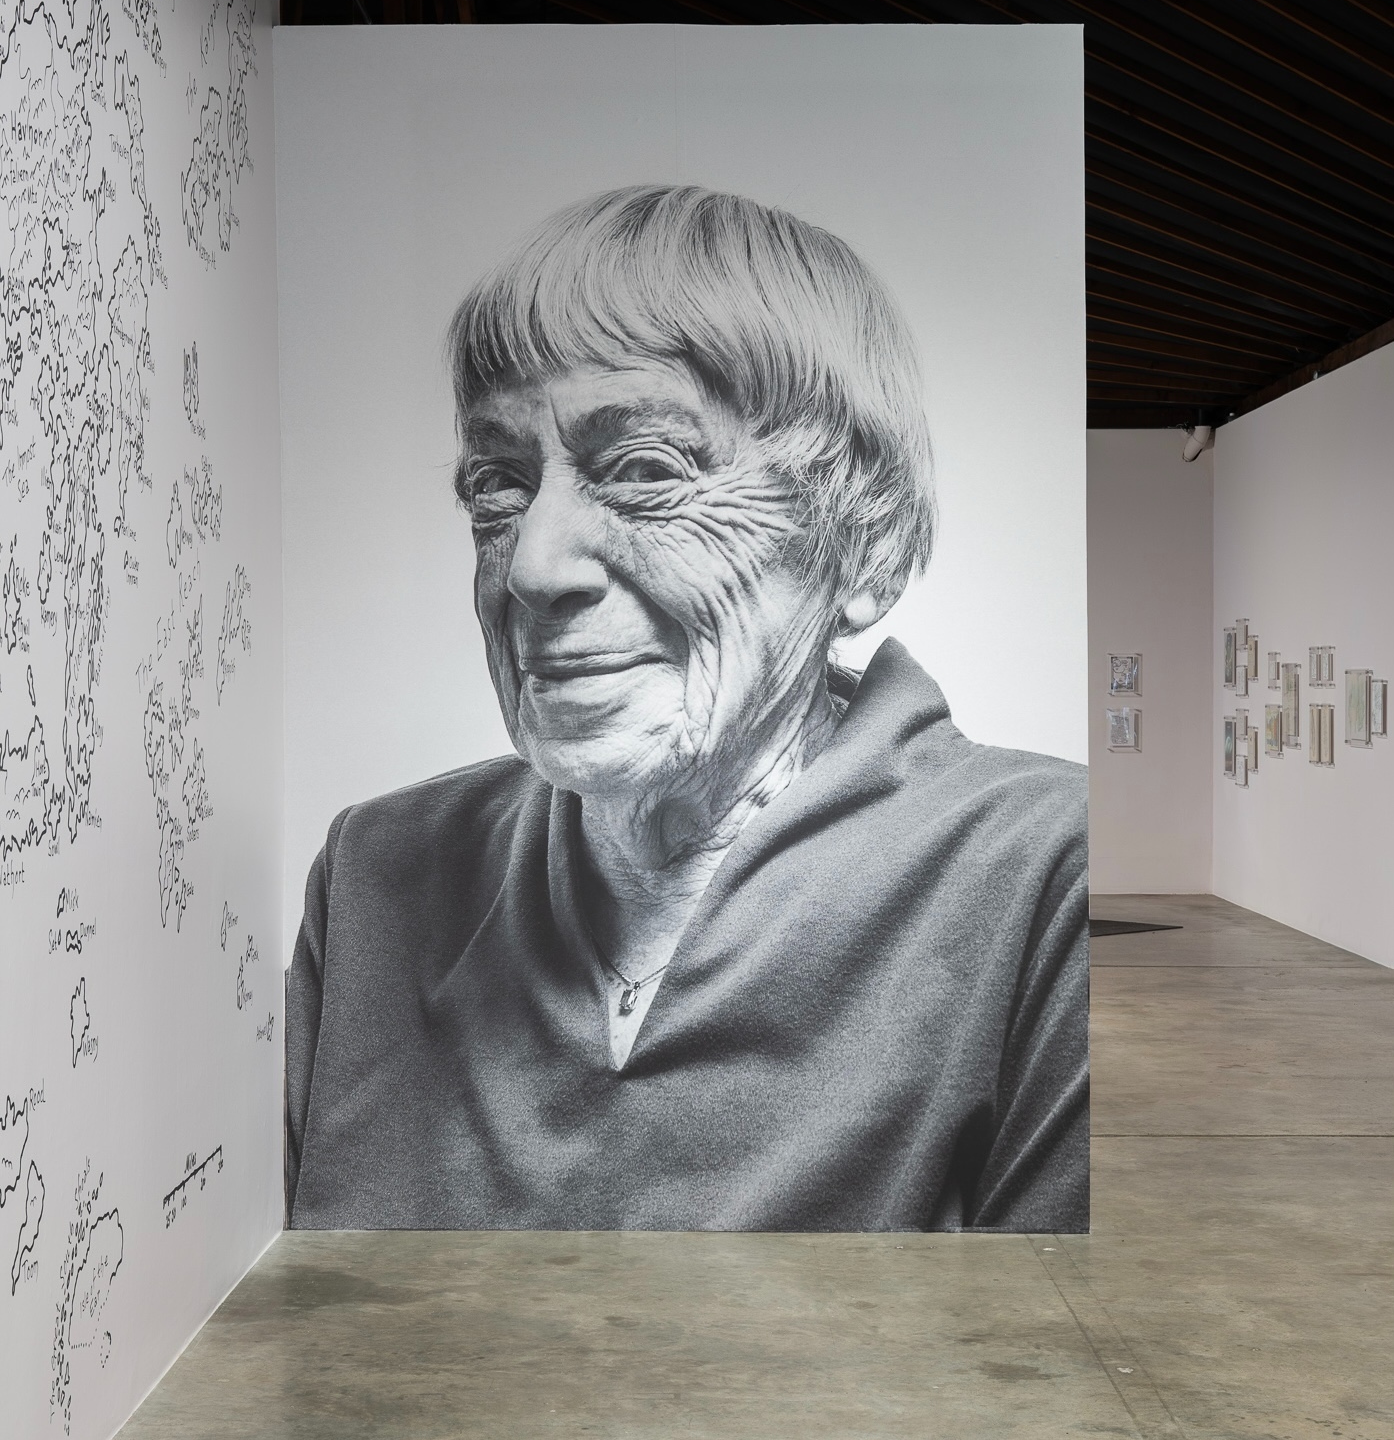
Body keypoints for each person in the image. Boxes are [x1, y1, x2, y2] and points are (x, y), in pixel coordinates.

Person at [286, 184, 1088, 1232]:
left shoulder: (1042, 878)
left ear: (866, 547)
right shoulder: (375, 874)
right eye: (497, 486)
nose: (533, 566)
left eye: (644, 470)